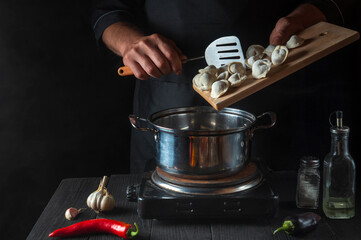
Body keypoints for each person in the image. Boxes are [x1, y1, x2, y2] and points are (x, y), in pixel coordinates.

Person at [91, 0, 349, 173]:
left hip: (269, 101)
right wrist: (130, 44)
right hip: (168, 103)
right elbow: (107, 9)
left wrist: (303, 16)